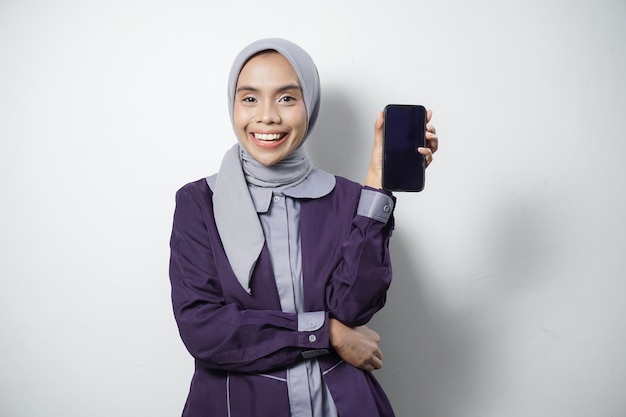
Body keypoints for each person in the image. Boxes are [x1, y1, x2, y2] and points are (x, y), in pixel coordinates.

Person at [169, 38, 438, 417]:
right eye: (249, 99)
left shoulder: (349, 199)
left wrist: (377, 186)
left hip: (340, 404)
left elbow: (353, 308)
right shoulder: (199, 203)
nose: (267, 116)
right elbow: (205, 329)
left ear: (309, 105)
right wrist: (326, 333)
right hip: (237, 405)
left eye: (286, 98)